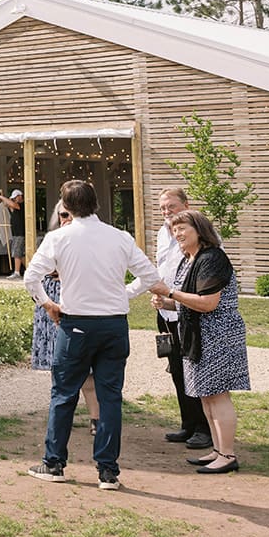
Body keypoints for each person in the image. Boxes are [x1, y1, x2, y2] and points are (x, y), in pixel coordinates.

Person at [25, 179, 167, 491]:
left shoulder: (59, 237)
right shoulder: (120, 237)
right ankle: (108, 471)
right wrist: (123, 294)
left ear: (66, 207)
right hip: (114, 324)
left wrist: (48, 304)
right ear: (96, 204)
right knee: (110, 396)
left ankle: (54, 462)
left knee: (64, 393)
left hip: (76, 323)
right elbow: (150, 276)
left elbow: (31, 277)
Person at [153, 210, 250, 475]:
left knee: (218, 396)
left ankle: (227, 454)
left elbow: (208, 303)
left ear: (199, 229)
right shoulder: (190, 259)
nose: (178, 234)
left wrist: (170, 292)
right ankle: (217, 450)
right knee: (206, 397)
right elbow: (189, 301)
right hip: (197, 335)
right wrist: (166, 302)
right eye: (174, 230)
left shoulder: (212, 258)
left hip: (217, 335)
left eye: (182, 228)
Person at [129, 187, 211, 449]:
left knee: (194, 371)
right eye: (163, 207)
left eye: (171, 206)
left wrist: (174, 297)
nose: (166, 211)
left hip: (187, 311)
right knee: (177, 370)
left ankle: (204, 429)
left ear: (186, 205)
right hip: (165, 311)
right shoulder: (162, 234)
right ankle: (188, 424)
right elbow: (160, 271)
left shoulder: (200, 234)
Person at [30, 203, 99, 433]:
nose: (66, 219)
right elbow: (35, 272)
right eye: (62, 215)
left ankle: (96, 417)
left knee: (86, 368)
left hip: (79, 303)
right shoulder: (53, 239)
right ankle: (60, 418)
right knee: (59, 368)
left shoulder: (90, 239)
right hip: (51, 300)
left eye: (70, 214)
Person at [0, 188, 27, 276]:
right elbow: (7, 204)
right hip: (16, 233)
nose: (14, 200)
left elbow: (11, 204)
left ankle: (17, 272)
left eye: (15, 198)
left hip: (20, 233)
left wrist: (0, 197)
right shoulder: (14, 206)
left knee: (17, 253)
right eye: (13, 198)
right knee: (20, 254)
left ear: (20, 197)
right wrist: (2, 197)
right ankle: (29, 268)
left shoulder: (21, 205)